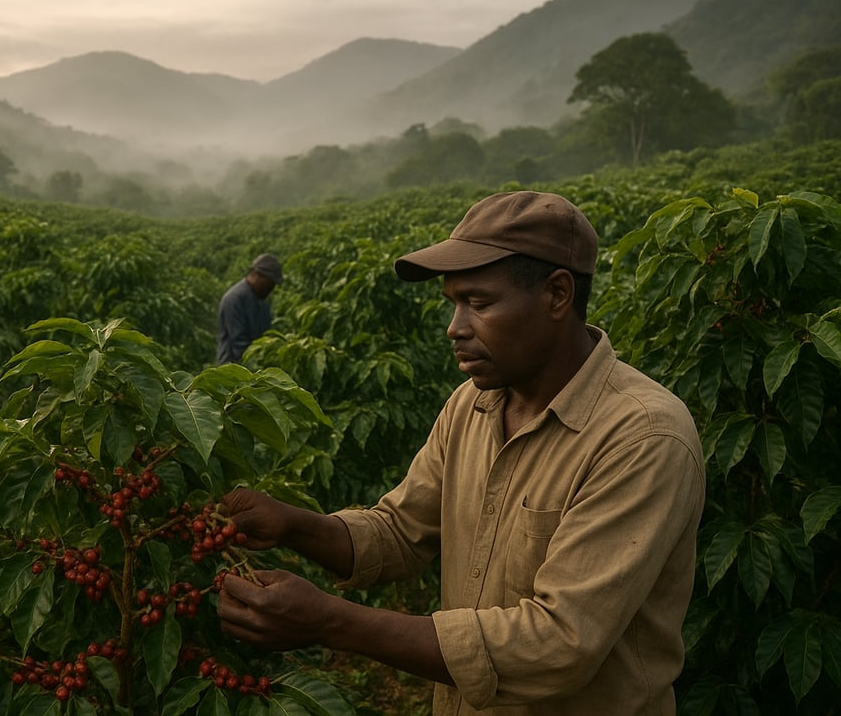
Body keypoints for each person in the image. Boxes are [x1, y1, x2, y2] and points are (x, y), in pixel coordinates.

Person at [217, 191, 705, 715]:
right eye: (453, 303)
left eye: (479, 303)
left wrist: (331, 621)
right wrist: (291, 524)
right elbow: (399, 533)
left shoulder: (643, 436)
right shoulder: (473, 404)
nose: (456, 327)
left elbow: (558, 644)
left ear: (557, 294)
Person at [215, 252, 283, 365]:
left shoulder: (261, 301)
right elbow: (239, 343)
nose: (271, 289)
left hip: (255, 368)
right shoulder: (234, 299)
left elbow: (265, 336)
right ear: (258, 275)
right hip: (231, 370)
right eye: (270, 284)